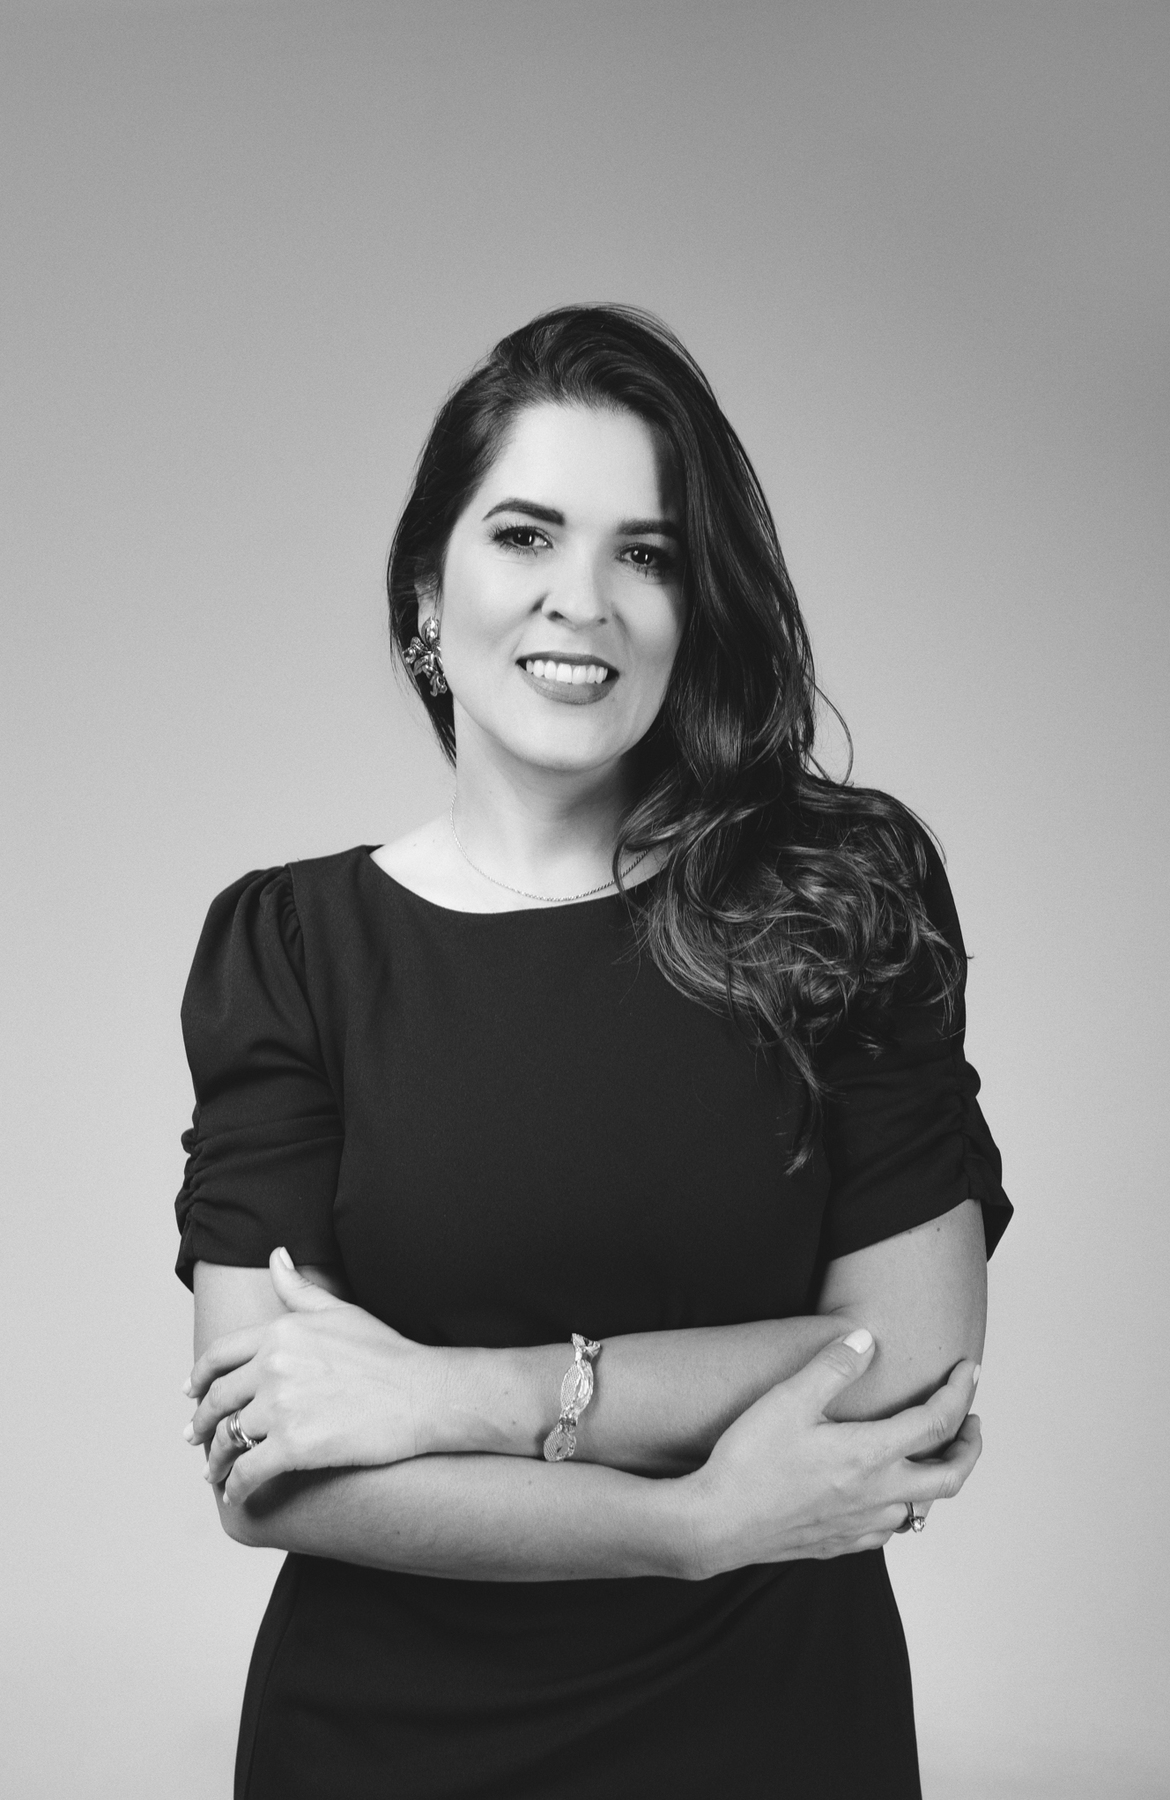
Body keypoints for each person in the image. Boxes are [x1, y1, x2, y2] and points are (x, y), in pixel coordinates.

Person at [176, 304, 1011, 1800]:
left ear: (697, 605)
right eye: (525, 536)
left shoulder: (839, 894)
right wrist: (693, 1524)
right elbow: (273, 1472)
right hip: (381, 1749)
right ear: (425, 594)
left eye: (647, 554)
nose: (585, 600)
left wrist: (449, 1399)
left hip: (775, 1740)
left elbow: (907, 1365)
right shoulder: (290, 947)